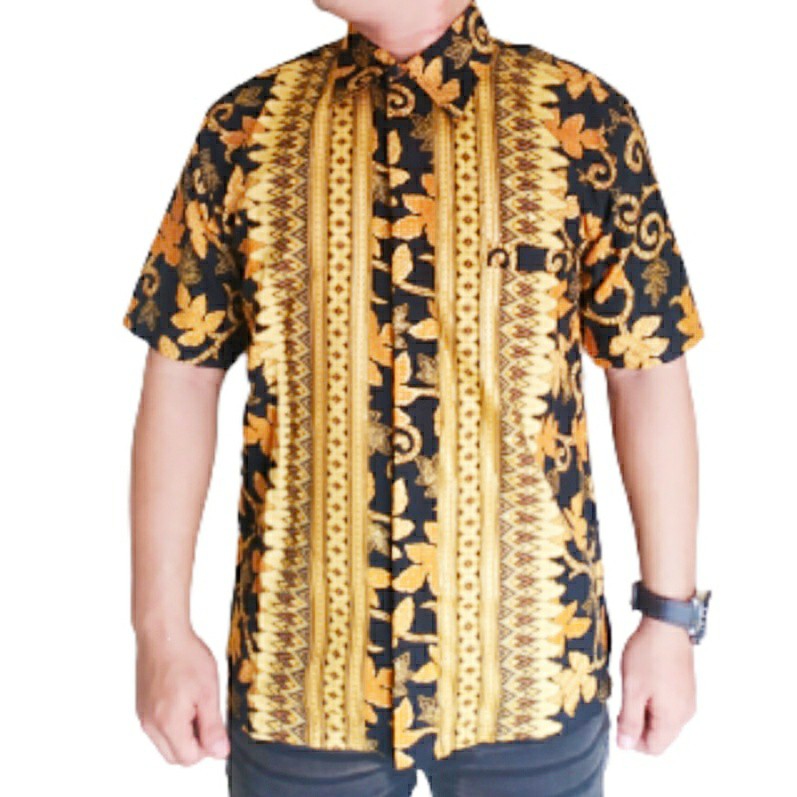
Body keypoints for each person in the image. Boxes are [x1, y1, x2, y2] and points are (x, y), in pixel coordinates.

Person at [123, 1, 711, 795]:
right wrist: (158, 629)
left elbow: (645, 369)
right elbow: (182, 372)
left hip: (531, 669)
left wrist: (669, 618)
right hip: (301, 676)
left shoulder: (580, 120)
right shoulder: (245, 128)